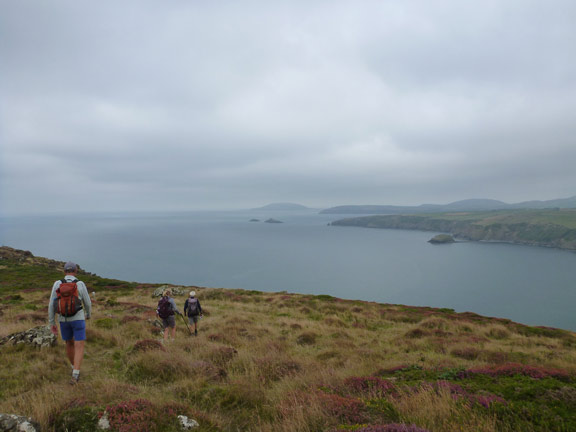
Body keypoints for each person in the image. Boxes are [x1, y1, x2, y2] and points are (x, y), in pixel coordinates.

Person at [48, 261, 92, 385]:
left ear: (64, 271)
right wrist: (88, 314)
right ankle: (76, 373)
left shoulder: (57, 283)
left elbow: (51, 305)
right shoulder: (80, 284)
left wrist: (52, 323)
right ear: (76, 271)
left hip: (63, 319)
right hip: (78, 318)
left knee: (69, 343)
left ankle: (74, 367)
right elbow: (87, 303)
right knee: (79, 344)